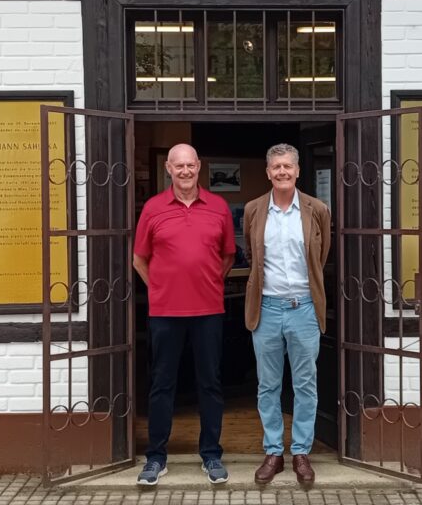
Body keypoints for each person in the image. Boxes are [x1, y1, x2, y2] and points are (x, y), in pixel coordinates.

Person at [133, 143, 236, 486]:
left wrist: (208, 282)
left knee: (210, 384)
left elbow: (227, 256)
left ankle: (211, 455)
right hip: (165, 312)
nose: (185, 171)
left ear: (199, 166)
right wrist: (160, 288)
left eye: (190, 165)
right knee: (162, 384)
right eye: (179, 166)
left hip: (209, 310)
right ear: (169, 169)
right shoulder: (153, 208)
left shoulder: (218, 207)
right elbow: (139, 259)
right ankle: (156, 458)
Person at [243, 143, 331, 486]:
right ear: (268, 173)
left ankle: (301, 452)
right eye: (276, 167)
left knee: (305, 383)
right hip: (266, 308)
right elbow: (252, 256)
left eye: (287, 166)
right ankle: (273, 452)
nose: (282, 171)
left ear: (297, 171)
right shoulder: (254, 209)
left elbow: (321, 255)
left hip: (303, 308)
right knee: (268, 384)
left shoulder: (316, 209)